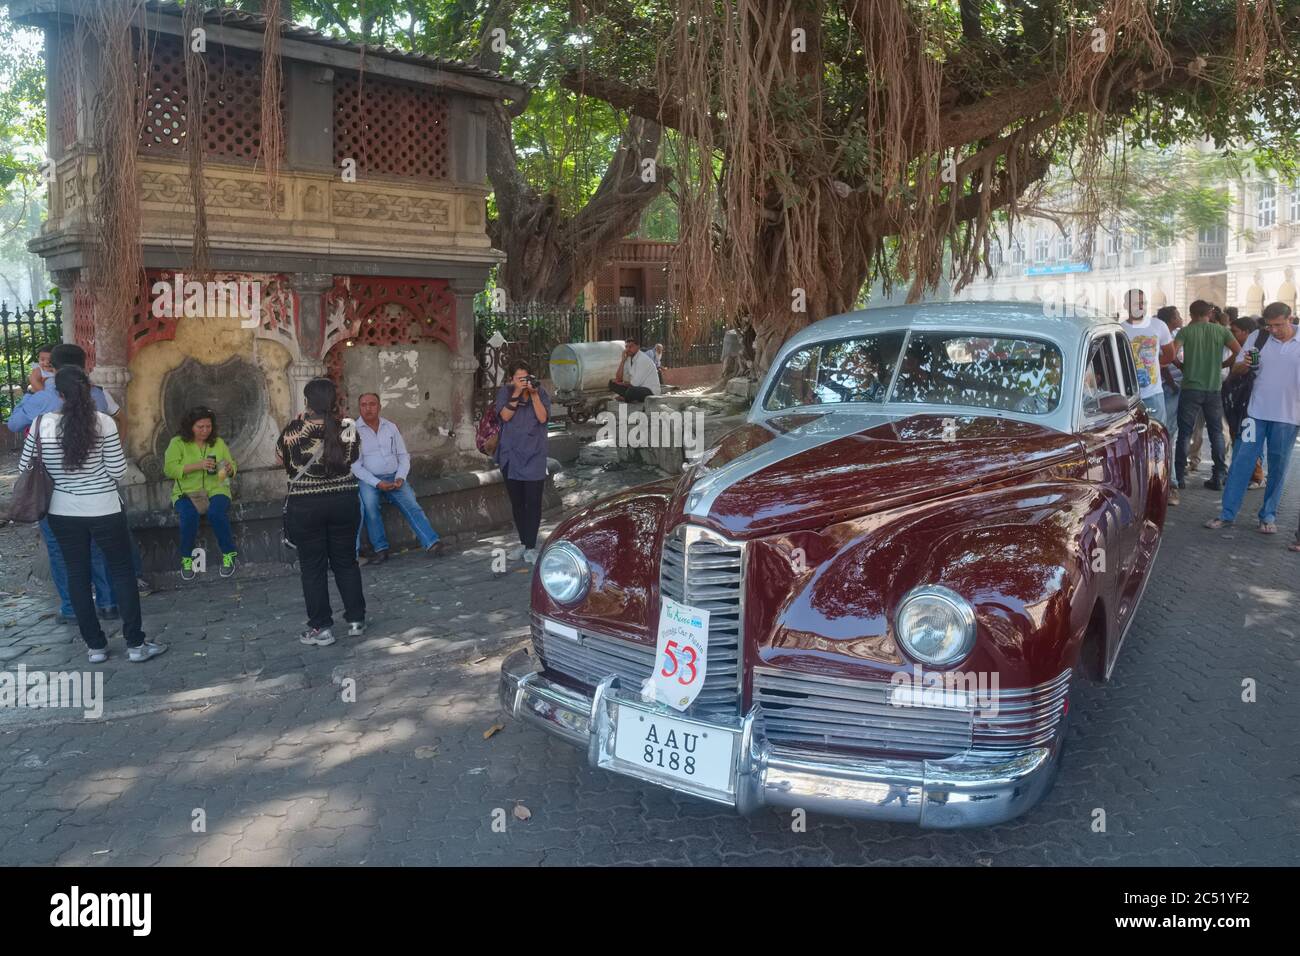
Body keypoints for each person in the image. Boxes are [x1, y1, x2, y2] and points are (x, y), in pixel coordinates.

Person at [19, 368, 164, 663]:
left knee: (77, 574)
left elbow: (26, 468)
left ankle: (95, 646)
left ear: (57, 394)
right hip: (105, 509)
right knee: (122, 572)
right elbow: (118, 471)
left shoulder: (40, 425)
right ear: (88, 390)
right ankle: (136, 644)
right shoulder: (104, 423)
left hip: (61, 512)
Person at [5, 343, 148, 621]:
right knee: (99, 551)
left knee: (62, 555)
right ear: (84, 365)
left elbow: (14, 430)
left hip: (56, 500)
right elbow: (118, 462)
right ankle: (108, 604)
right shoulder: (99, 398)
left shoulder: (41, 405)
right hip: (100, 499)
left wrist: (35, 387)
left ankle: (72, 610)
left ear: (52, 369)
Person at [277, 379, 366, 646]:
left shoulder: (293, 430)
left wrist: (300, 426)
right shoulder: (348, 427)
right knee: (346, 562)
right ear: (334, 401)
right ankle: (356, 619)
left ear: (307, 402)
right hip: (344, 502)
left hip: (306, 506)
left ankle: (321, 628)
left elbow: (280, 459)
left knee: (313, 569)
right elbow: (353, 458)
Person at [1208, 303, 1300, 535]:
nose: (1274, 330)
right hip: (1254, 414)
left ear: (1291, 319)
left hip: (1288, 417)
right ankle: (1227, 514)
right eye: (1270, 326)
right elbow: (1236, 369)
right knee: (1241, 462)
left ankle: (1267, 516)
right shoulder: (1258, 337)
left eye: (1278, 325)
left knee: (1278, 468)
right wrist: (1243, 366)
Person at [351, 392, 441, 565]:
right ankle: (381, 549)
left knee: (412, 505)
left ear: (379, 407)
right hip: (369, 480)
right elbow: (355, 466)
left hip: (394, 476)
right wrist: (377, 483)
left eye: (372, 404)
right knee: (370, 508)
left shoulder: (390, 427)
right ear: (359, 408)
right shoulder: (354, 431)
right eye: (364, 405)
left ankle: (431, 542)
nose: (368, 408)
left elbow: (403, 455)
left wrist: (400, 477)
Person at [164, 406, 239, 581]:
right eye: (200, 427)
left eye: (208, 426)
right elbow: (169, 469)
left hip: (217, 488)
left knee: (216, 513)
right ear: (190, 426)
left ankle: (229, 555)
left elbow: (232, 465)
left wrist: (229, 469)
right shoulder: (177, 443)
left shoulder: (218, 442)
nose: (205, 430)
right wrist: (198, 465)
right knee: (189, 516)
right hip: (186, 492)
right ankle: (187, 558)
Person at [1174, 300, 1240, 492]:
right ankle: (1219, 475)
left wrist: (1181, 367)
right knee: (1216, 433)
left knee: (1184, 434)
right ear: (1210, 313)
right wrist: (1224, 364)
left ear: (1191, 313)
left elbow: (1172, 353)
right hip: (1213, 388)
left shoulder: (1186, 331)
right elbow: (1239, 351)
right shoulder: (1221, 331)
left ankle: (1179, 477)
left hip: (1190, 388)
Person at [495, 362, 551, 564]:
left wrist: (534, 394)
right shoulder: (505, 392)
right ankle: (523, 542)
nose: (524, 382)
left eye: (526, 377)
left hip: (534, 455)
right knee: (518, 502)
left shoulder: (540, 393)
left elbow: (543, 418)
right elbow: (505, 416)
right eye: (519, 378)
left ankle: (530, 546)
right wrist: (517, 393)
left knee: (533, 502)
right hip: (511, 455)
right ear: (511, 379)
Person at [1224, 316, 1268, 489]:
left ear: (1247, 333)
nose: (1232, 335)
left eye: (1234, 332)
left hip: (1251, 404)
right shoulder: (1246, 349)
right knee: (1243, 437)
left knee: (1247, 439)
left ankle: (1256, 476)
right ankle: (1243, 474)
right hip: (1241, 402)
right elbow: (1236, 368)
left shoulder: (1258, 344)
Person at [1120, 289, 1174, 423]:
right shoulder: (1119, 329)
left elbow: (1170, 355)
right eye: (1135, 303)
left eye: (1143, 303)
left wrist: (1152, 366)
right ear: (1126, 305)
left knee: (1157, 433)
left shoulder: (1159, 326)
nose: (1140, 307)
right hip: (1127, 397)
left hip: (1153, 395)